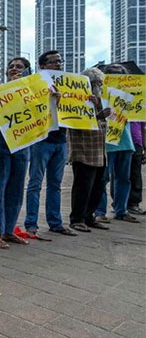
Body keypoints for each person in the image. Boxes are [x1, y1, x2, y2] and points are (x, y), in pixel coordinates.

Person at [23, 51, 74, 237]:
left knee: (55, 184)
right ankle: (31, 223)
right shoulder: (35, 85)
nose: (59, 65)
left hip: (61, 140)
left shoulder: (69, 85)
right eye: (53, 62)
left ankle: (55, 222)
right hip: (41, 140)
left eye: (60, 61)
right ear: (42, 66)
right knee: (35, 183)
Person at [0, 57, 33, 248]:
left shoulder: (34, 91)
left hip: (22, 138)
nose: (14, 69)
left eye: (19, 67)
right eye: (11, 67)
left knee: (16, 187)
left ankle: (8, 230)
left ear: (28, 71)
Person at [67, 68, 112, 232]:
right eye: (98, 83)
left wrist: (101, 112)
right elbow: (77, 121)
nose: (100, 86)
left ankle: (89, 216)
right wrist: (99, 115)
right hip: (84, 150)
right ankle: (77, 218)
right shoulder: (77, 98)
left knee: (98, 186)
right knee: (83, 186)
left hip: (99, 151)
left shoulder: (100, 100)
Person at [95, 64, 140, 223]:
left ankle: (121, 210)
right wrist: (100, 114)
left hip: (125, 140)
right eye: (112, 75)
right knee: (103, 178)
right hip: (106, 142)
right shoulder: (98, 95)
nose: (116, 78)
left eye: (120, 75)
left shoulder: (132, 95)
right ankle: (99, 211)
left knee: (124, 178)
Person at [128, 121, 146, 215]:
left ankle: (133, 203)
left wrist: (144, 147)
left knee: (135, 173)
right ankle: (120, 203)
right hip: (122, 142)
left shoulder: (139, 109)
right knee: (121, 175)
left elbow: (143, 128)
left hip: (137, 143)